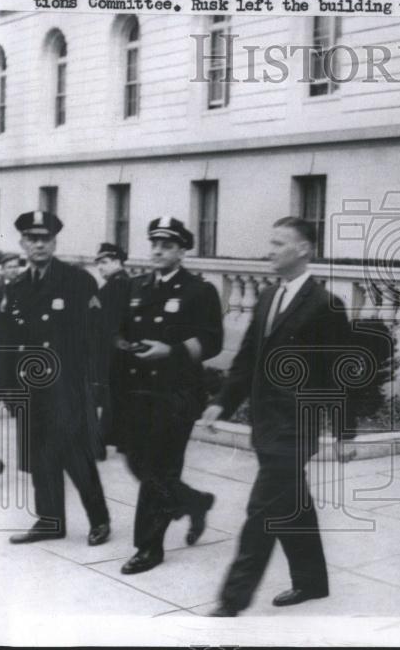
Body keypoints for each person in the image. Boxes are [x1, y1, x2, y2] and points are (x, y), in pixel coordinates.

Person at [201, 217, 355, 616]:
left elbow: (342, 374)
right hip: (267, 422)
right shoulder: (269, 296)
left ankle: (231, 601)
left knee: (262, 511)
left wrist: (344, 432)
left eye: (278, 243)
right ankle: (312, 581)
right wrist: (222, 402)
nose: (268, 250)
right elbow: (248, 356)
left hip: (295, 428)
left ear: (303, 249)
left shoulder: (326, 305)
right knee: (292, 503)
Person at [115, 218, 223, 575]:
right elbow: (119, 330)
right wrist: (123, 343)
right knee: (136, 463)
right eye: (154, 244)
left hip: (176, 395)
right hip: (138, 393)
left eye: (167, 245)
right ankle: (194, 502)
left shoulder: (198, 290)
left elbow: (211, 342)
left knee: (159, 469)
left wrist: (170, 351)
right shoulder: (136, 286)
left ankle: (149, 548)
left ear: (181, 250)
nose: (158, 251)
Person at [5, 211, 110, 546]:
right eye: (32, 239)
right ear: (22, 243)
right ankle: (49, 520)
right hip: (31, 387)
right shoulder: (17, 285)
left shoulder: (77, 281)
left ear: (54, 243)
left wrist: (94, 387)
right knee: (40, 455)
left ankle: (99, 520)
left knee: (75, 455)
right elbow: (10, 338)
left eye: (45, 239)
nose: (39, 244)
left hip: (67, 385)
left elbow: (95, 337)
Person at [94, 242, 132, 455]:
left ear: (118, 262)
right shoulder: (118, 283)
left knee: (110, 397)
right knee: (116, 398)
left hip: (112, 350)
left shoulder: (117, 285)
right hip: (115, 349)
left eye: (105, 262)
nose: (100, 267)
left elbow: (111, 320)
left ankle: (99, 444)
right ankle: (121, 442)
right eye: (99, 263)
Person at [0, 252, 24, 486]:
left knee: (9, 375)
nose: (12, 270)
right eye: (8, 266)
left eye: (15, 266)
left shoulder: (20, 287)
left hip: (13, 339)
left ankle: (12, 405)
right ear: (1, 269)